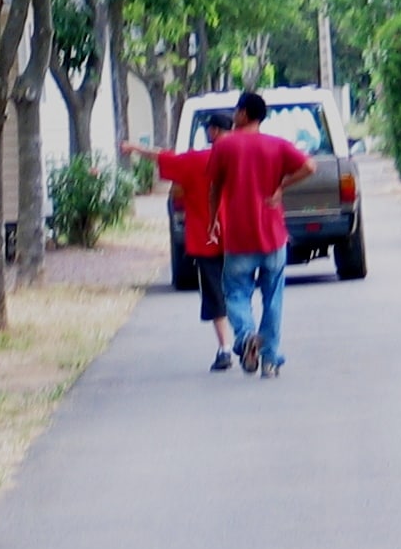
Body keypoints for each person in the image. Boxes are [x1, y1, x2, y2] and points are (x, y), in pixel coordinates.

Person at [209, 90, 314, 379]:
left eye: (237, 109)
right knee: (273, 299)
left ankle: (245, 338)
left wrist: (213, 220)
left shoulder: (224, 146)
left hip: (239, 238)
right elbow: (309, 166)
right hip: (273, 237)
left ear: (244, 113)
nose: (234, 114)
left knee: (235, 293)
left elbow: (215, 186)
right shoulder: (277, 145)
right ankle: (269, 360)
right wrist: (282, 187)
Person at [120, 113, 236, 370]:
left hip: (207, 239)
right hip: (240, 238)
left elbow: (162, 157)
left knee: (215, 294)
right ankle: (248, 335)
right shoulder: (242, 160)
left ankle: (225, 348)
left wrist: (134, 148)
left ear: (214, 131)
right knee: (240, 290)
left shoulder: (196, 160)